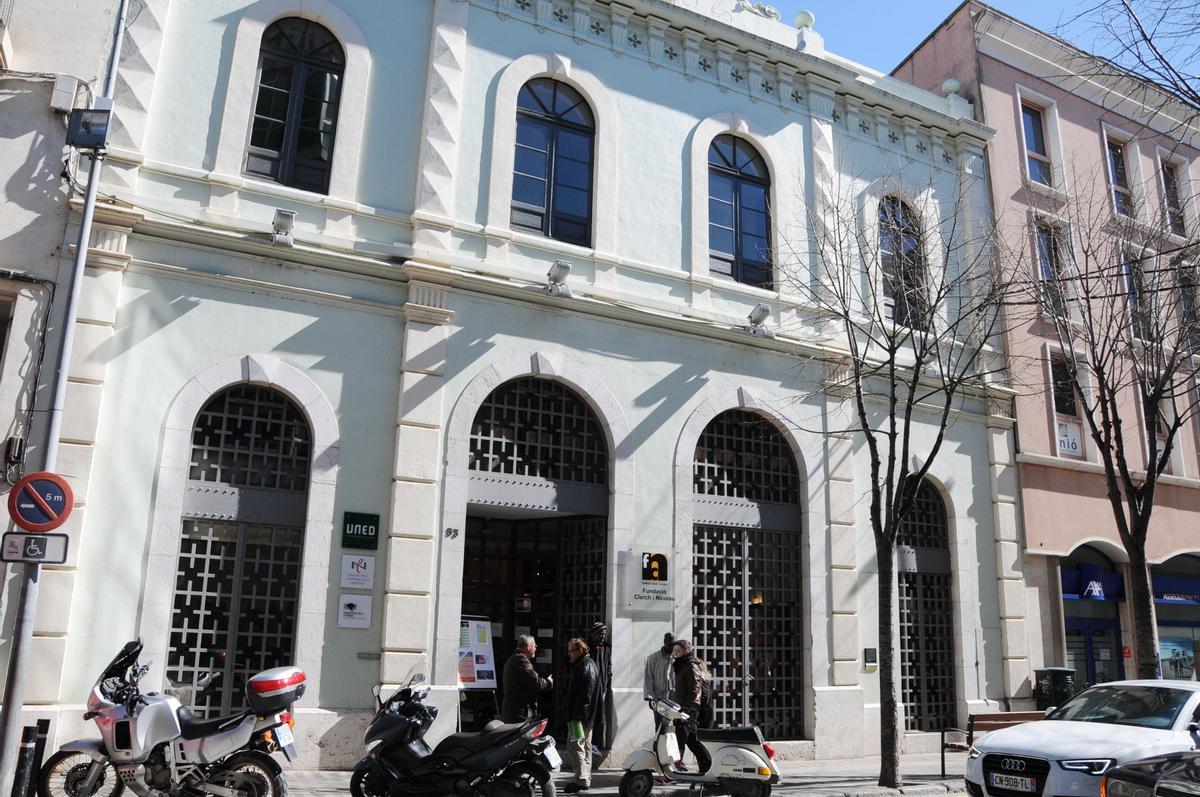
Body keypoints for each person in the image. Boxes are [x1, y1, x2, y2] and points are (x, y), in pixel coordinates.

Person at [564, 638, 600, 793]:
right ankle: (585, 778)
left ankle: (581, 780)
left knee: (575, 746)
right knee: (584, 747)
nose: (569, 654)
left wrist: (577, 717)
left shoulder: (586, 667)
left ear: (580, 650)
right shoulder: (584, 665)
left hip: (580, 718)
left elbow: (586, 696)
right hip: (584, 717)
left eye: (571, 651)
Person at [671, 639, 712, 774]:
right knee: (688, 739)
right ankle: (704, 768)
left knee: (689, 739)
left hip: (689, 708)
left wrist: (687, 708)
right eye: (674, 651)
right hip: (682, 707)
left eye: (678, 651)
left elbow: (695, 686)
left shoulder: (690, 664)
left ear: (686, 650)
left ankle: (707, 766)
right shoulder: (682, 665)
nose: (675, 653)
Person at [500, 635, 552, 723]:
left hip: (515, 712)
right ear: (528, 647)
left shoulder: (515, 658)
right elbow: (536, 682)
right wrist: (549, 682)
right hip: (519, 713)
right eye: (534, 645)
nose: (536, 647)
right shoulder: (521, 660)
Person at [586, 621, 613, 754]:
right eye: (600, 634)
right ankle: (588, 741)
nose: (603, 636)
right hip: (590, 688)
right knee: (589, 715)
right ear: (594, 635)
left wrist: (607, 678)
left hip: (602, 688)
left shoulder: (607, 648)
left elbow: (609, 665)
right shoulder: (587, 648)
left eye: (604, 634)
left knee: (600, 717)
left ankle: (596, 743)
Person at [643, 631, 675, 729]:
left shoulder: (678, 658)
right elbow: (648, 679)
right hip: (659, 699)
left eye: (674, 644)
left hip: (674, 700)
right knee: (660, 727)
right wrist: (650, 698)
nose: (672, 647)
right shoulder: (653, 658)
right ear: (664, 642)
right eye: (670, 644)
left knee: (673, 727)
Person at [696, 656, 714, 729]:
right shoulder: (702, 680)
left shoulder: (702, 680)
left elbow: (705, 697)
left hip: (703, 716)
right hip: (704, 715)